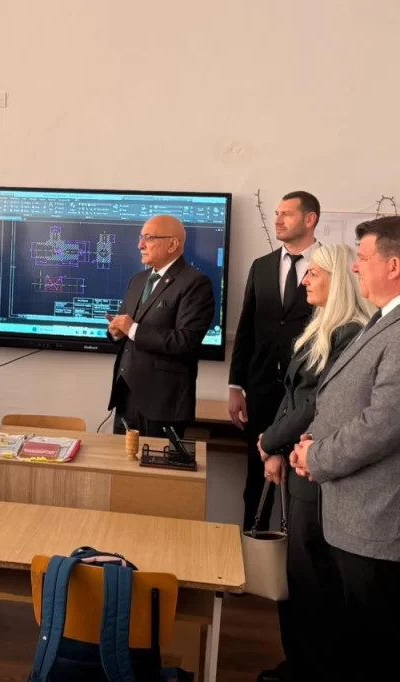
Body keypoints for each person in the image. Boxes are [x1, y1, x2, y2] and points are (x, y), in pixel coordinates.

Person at [291, 215, 400, 682]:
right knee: (357, 648)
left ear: (393, 265)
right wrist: (316, 439)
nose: (355, 268)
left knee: (380, 656)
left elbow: (383, 425)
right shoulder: (394, 317)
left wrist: (316, 457)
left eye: (363, 258)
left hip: (385, 522)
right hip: (361, 518)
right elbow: (349, 397)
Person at [256, 245, 372, 682]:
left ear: (338, 280)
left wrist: (271, 440)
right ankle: (298, 663)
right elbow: (291, 396)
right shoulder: (321, 326)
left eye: (314, 274)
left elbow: (316, 404)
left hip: (318, 473)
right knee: (299, 578)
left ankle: (311, 668)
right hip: (295, 459)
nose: (305, 280)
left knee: (313, 582)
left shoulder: (349, 333)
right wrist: (273, 445)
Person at [229, 191, 321, 533]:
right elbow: (246, 328)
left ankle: (294, 555)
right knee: (256, 481)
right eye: (277, 213)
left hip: (307, 395)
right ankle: (251, 549)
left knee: (300, 484)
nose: (278, 220)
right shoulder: (262, 266)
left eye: (287, 214)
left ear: (310, 219)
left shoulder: (328, 267)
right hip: (262, 389)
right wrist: (236, 386)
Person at [107, 214, 215, 437]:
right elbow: (125, 328)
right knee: (121, 460)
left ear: (172, 244)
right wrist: (116, 332)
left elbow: (186, 341)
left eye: (149, 238)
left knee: (156, 461)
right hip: (126, 396)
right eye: (141, 237)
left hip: (163, 403)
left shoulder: (195, 283)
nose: (140, 245)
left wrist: (133, 329)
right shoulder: (138, 280)